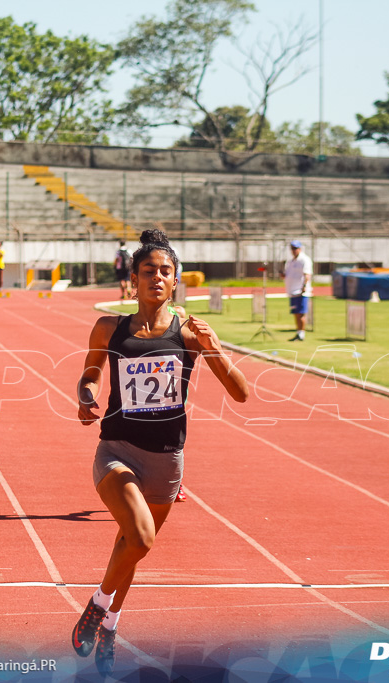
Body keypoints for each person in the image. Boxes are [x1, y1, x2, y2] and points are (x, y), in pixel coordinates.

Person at [73, 229, 249, 676]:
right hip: (116, 449)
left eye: (165, 272)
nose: (157, 277)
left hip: (168, 459)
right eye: (148, 271)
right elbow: (90, 373)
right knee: (141, 537)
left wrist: (214, 352)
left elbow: (241, 393)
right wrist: (86, 396)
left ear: (176, 281)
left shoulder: (190, 331)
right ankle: (97, 605)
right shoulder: (109, 326)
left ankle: (110, 622)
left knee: (130, 547)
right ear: (133, 279)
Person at [282, 240, 312, 342]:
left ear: (300, 248)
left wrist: (304, 286)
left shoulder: (304, 260)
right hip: (292, 291)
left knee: (300, 313)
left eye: (295, 248)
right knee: (296, 313)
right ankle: (298, 332)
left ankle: (301, 334)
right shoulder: (290, 261)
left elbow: (307, 274)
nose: (294, 250)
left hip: (300, 291)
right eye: (292, 248)